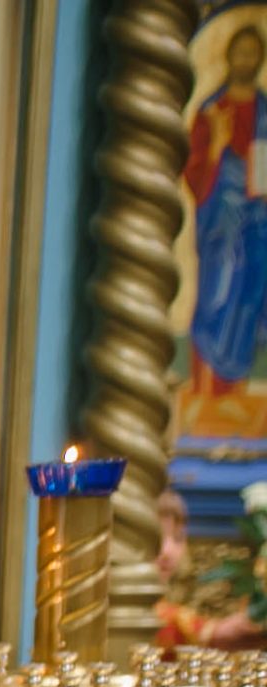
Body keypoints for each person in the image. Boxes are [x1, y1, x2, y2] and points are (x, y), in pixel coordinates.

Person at [184, 25, 267, 435]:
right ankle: (204, 394)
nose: (246, 60)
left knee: (248, 300)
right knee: (217, 295)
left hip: (257, 221)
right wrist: (216, 144)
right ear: (229, 56)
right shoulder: (211, 110)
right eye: (240, 51)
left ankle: (234, 395)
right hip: (220, 221)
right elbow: (195, 173)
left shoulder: (265, 112)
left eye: (254, 52)